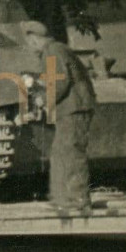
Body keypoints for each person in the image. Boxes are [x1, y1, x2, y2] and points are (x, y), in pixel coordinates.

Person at [22, 20, 97, 213]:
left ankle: (79, 198)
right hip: (70, 108)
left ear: (36, 39)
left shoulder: (52, 51)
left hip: (74, 107)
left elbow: (59, 83)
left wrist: (43, 101)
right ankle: (61, 197)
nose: (30, 47)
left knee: (71, 151)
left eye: (30, 41)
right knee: (59, 152)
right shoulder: (57, 49)